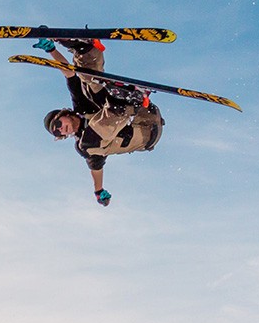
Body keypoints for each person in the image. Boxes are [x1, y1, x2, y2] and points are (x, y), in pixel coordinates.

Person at [37, 38, 165, 207]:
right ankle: (123, 104)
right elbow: (95, 167)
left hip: (145, 111)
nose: (61, 130)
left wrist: (51, 50)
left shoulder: (80, 105)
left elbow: (69, 73)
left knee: (87, 83)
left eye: (57, 125)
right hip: (146, 133)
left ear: (63, 114)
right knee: (87, 145)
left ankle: (85, 50)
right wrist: (98, 191)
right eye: (58, 133)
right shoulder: (84, 143)